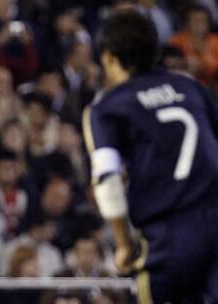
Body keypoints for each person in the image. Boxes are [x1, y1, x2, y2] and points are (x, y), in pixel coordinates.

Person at [83, 10, 218, 303]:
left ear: (107, 57)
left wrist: (122, 244)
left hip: (168, 238)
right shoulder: (191, 87)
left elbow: (107, 180)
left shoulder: (107, 107)